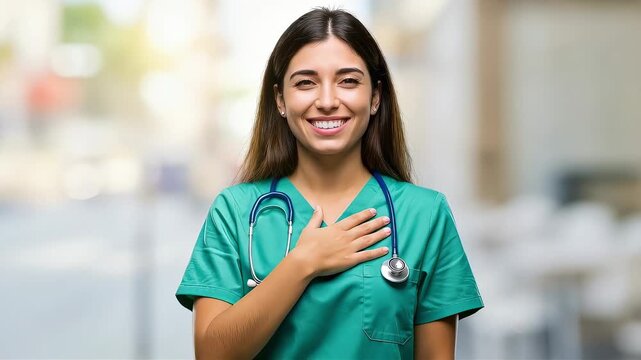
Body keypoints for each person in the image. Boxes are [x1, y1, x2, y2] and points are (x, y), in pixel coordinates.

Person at [176, 7, 483, 359]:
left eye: (348, 81)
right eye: (305, 82)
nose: (326, 101)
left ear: (376, 97)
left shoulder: (424, 215)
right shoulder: (234, 212)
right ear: (280, 99)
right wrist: (303, 263)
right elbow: (212, 354)